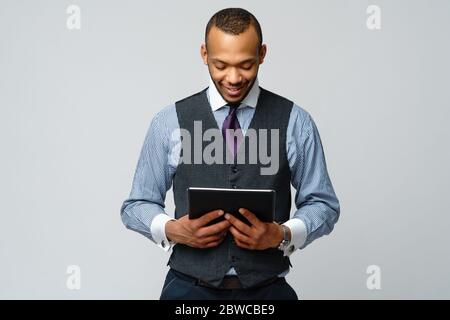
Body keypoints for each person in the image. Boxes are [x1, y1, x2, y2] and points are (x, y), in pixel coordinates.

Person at [121, 7, 340, 300]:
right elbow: (136, 204)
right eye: (220, 65)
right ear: (203, 54)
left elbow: (322, 204)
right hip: (187, 291)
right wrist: (173, 230)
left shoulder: (295, 121)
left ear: (262, 54)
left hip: (269, 293)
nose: (233, 78)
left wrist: (283, 234)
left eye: (246, 65)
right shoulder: (169, 121)